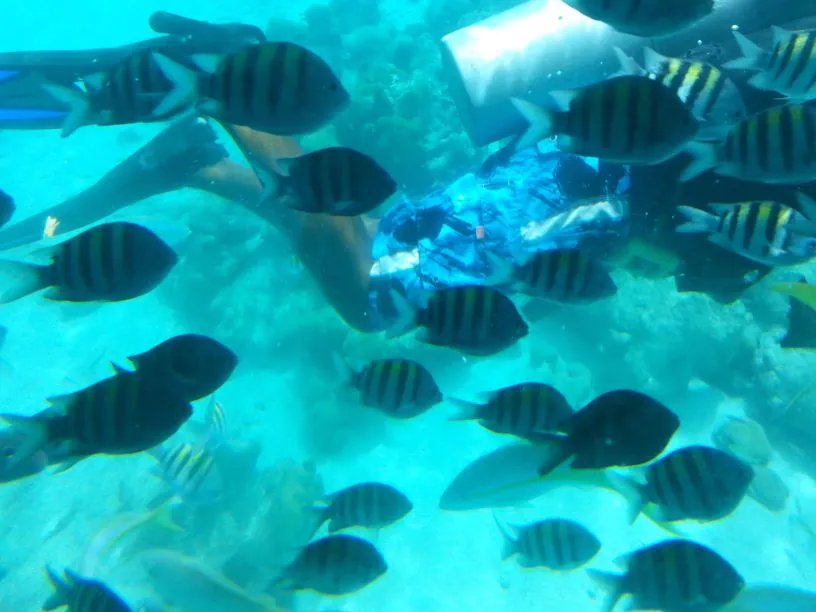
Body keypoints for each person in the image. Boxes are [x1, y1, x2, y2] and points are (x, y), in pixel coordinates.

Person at [0, 11, 807, 335]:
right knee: (382, 301)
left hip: (609, 172)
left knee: (394, 236)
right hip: (600, 183)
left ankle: (204, 157)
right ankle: (231, 86)